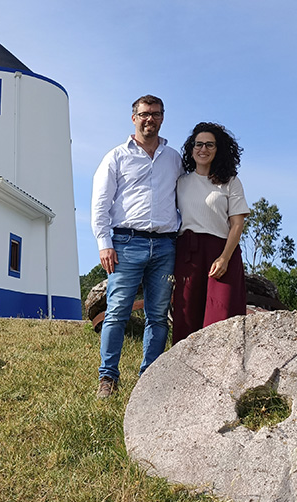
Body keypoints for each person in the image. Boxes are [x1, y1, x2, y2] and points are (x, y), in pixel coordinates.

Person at [90, 95, 182, 398]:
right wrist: (105, 244)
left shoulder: (174, 158)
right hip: (126, 243)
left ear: (163, 117)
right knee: (117, 312)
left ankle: (149, 381)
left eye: (155, 114)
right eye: (144, 114)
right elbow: (100, 204)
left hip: (166, 245)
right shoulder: (116, 157)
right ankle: (108, 378)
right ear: (134, 118)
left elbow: (182, 197)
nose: (149, 119)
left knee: (158, 316)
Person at [172, 122, 249, 344]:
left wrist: (224, 258)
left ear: (218, 149)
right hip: (188, 253)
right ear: (191, 148)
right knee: (186, 317)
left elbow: (237, 224)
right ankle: (182, 374)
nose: (203, 149)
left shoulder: (231, 182)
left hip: (222, 252)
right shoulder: (181, 182)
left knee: (223, 317)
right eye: (198, 144)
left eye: (209, 145)